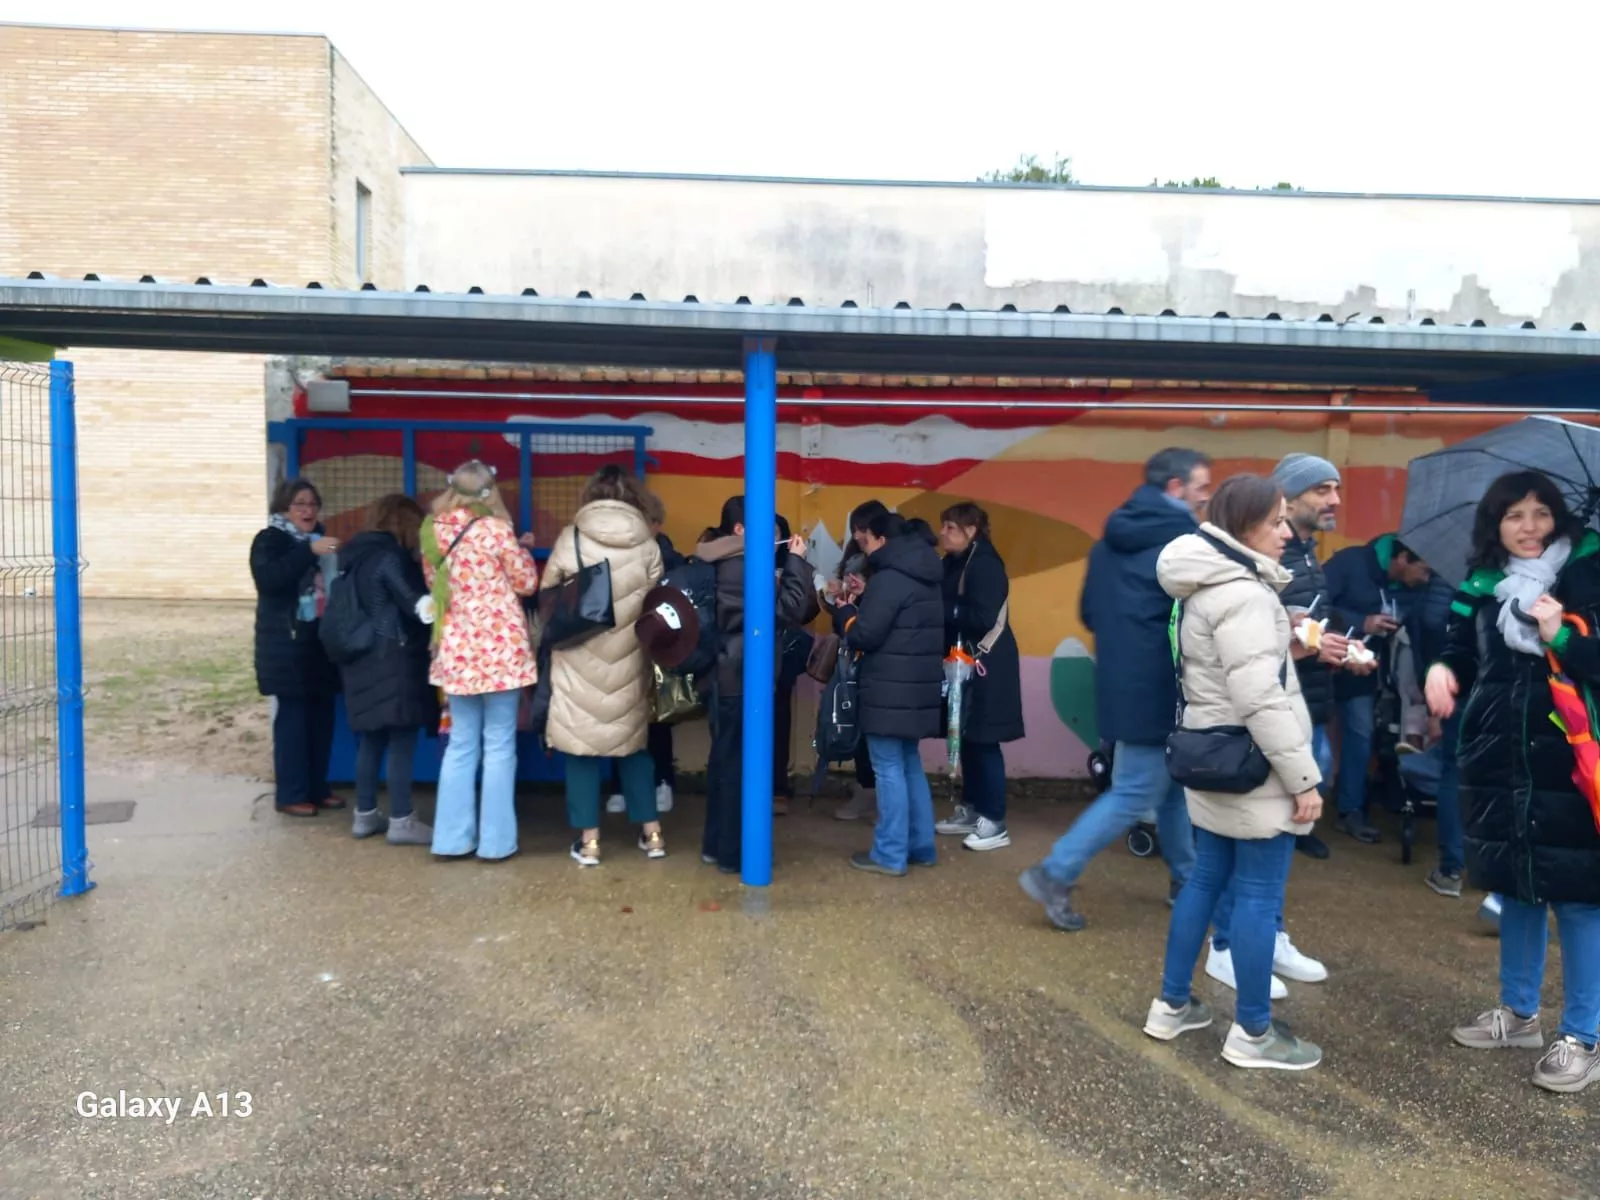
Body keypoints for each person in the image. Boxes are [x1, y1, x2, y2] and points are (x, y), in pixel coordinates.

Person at [1143, 474, 1325, 1071]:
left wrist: (1285, 651)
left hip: (1210, 756)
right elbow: (1258, 698)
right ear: (1245, 527)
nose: (1284, 531)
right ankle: (1252, 1032)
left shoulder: (1203, 583)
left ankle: (1171, 1006)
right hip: (1257, 766)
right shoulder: (1246, 593)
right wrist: (1304, 778)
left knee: (1203, 882)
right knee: (1256, 896)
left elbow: (1230, 671)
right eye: (1275, 521)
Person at [1427, 469, 1600, 1092]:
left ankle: (1584, 1034)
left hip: (1572, 763)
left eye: (1540, 514)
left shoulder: (1589, 576)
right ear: (1495, 525)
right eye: (1513, 516)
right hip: (1500, 758)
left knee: (1581, 897)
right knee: (1517, 887)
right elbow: (1458, 647)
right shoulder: (1480, 586)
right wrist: (1443, 670)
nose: (1528, 528)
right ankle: (1519, 1013)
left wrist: (1562, 636)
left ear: (1561, 519)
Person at [1018, 449, 1208, 930]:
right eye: (1201, 487)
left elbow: (1088, 613)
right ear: (1174, 488)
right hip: (1163, 684)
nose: (1206, 497)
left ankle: (1187, 880)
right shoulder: (1186, 544)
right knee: (1135, 791)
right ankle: (1054, 873)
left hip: (1121, 683)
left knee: (1171, 792)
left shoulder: (1107, 543)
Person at [1204, 455, 1341, 995]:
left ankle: (1267, 935)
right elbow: (1249, 660)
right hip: (1267, 721)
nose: (1334, 501)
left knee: (1276, 844)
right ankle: (1229, 945)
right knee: (1247, 841)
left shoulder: (1302, 554)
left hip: (1303, 710)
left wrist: (1329, 648)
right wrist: (1301, 647)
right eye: (1323, 490)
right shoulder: (1249, 568)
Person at [541, 465, 666, 866]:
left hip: (578, 656)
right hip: (630, 656)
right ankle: (653, 835)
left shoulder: (571, 537)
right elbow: (655, 601)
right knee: (632, 748)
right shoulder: (647, 543)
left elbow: (548, 596)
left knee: (581, 750)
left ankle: (590, 843)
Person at [422, 461, 540, 861]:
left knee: (460, 745)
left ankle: (452, 839)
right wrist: (520, 549)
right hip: (501, 651)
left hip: (457, 651)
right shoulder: (496, 530)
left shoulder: (433, 532)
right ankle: (495, 842)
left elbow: (433, 584)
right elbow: (527, 583)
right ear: (490, 492)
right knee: (500, 745)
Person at [696, 497, 817, 873]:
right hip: (741, 676)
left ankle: (716, 845)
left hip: (721, 673)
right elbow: (788, 610)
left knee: (724, 762)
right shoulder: (742, 564)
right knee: (739, 768)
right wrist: (796, 561)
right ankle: (735, 853)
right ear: (740, 530)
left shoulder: (714, 557)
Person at [834, 509, 945, 876]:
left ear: (882, 539)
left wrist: (846, 613)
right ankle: (921, 845)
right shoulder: (925, 574)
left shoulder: (889, 578)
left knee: (887, 768)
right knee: (909, 763)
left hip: (888, 688)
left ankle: (890, 853)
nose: (864, 547)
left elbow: (865, 634)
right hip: (917, 687)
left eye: (867, 540)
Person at [335, 493, 438, 845]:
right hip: (394, 659)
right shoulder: (390, 557)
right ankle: (401, 820)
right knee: (400, 740)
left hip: (361, 659)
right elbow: (418, 606)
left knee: (371, 740)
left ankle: (364, 815)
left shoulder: (353, 556)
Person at [1325, 532, 1434, 840]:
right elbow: (1314, 604)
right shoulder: (1350, 562)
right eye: (1423, 570)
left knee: (1361, 734)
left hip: (1364, 673)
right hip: (1319, 665)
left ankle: (1350, 810)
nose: (1425, 579)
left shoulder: (1414, 590)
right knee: (1309, 739)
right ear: (1402, 559)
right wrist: (1362, 623)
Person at [931, 503, 1025, 851]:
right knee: (967, 734)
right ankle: (972, 810)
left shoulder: (985, 565)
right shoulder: (954, 562)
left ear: (972, 531)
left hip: (987, 663)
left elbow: (982, 616)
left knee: (984, 739)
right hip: (962, 662)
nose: (943, 533)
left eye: (951, 527)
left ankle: (994, 820)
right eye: (943, 526)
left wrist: (939, 609)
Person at [250, 477, 342, 818]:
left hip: (319, 641)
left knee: (322, 717)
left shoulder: (321, 540)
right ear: (284, 509)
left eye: (312, 504)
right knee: (293, 720)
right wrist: (307, 552)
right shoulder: (270, 539)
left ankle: (319, 788)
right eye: (300, 504)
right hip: (285, 643)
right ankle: (290, 793)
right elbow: (270, 580)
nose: (308, 510)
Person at [605, 490, 683, 817]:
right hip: (620, 649)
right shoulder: (614, 558)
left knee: (658, 720)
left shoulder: (674, 560)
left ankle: (663, 782)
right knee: (619, 721)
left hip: (657, 650)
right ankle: (621, 786)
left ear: (655, 525)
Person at [832, 501, 889, 822]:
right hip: (851, 653)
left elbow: (877, 621)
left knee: (882, 742)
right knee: (855, 725)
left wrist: (862, 597)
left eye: (862, 530)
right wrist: (841, 601)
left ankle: (875, 795)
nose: (857, 535)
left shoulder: (889, 569)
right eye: (855, 529)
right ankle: (867, 788)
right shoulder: (854, 560)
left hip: (875, 659)